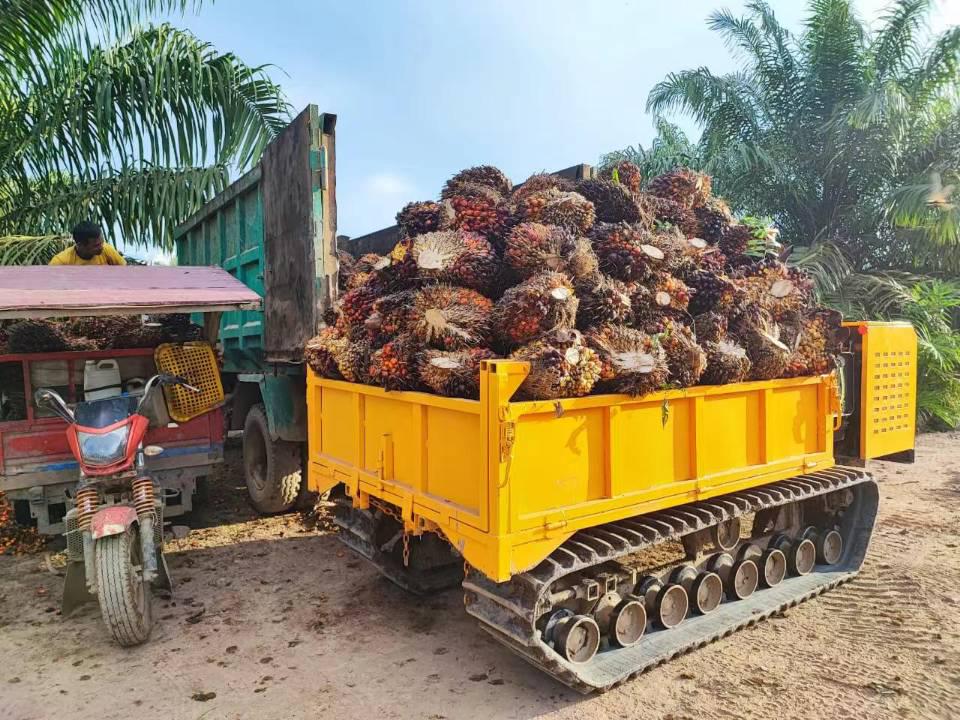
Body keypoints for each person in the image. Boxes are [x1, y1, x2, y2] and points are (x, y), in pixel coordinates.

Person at [49, 221, 126, 266]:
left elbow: (125, 271)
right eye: (96, 246)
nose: (101, 247)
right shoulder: (61, 261)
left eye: (102, 242)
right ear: (80, 245)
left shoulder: (106, 249)